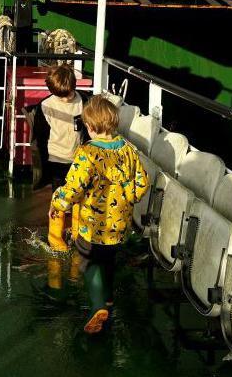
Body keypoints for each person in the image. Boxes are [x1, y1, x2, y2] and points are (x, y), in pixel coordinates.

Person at [49, 95, 149, 334]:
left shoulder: (87, 153)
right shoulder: (128, 149)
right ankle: (109, 299)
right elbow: (142, 182)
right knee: (109, 262)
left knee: (90, 263)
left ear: (91, 127)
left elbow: (74, 187)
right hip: (119, 225)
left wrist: (58, 204)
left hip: (91, 227)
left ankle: (97, 308)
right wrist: (129, 197)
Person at [26, 64, 89, 191]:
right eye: (61, 96)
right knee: (60, 198)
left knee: (80, 193)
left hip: (79, 158)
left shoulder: (84, 100)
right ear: (53, 91)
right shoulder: (46, 106)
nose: (66, 99)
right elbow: (41, 137)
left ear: (74, 85)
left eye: (69, 94)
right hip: (56, 160)